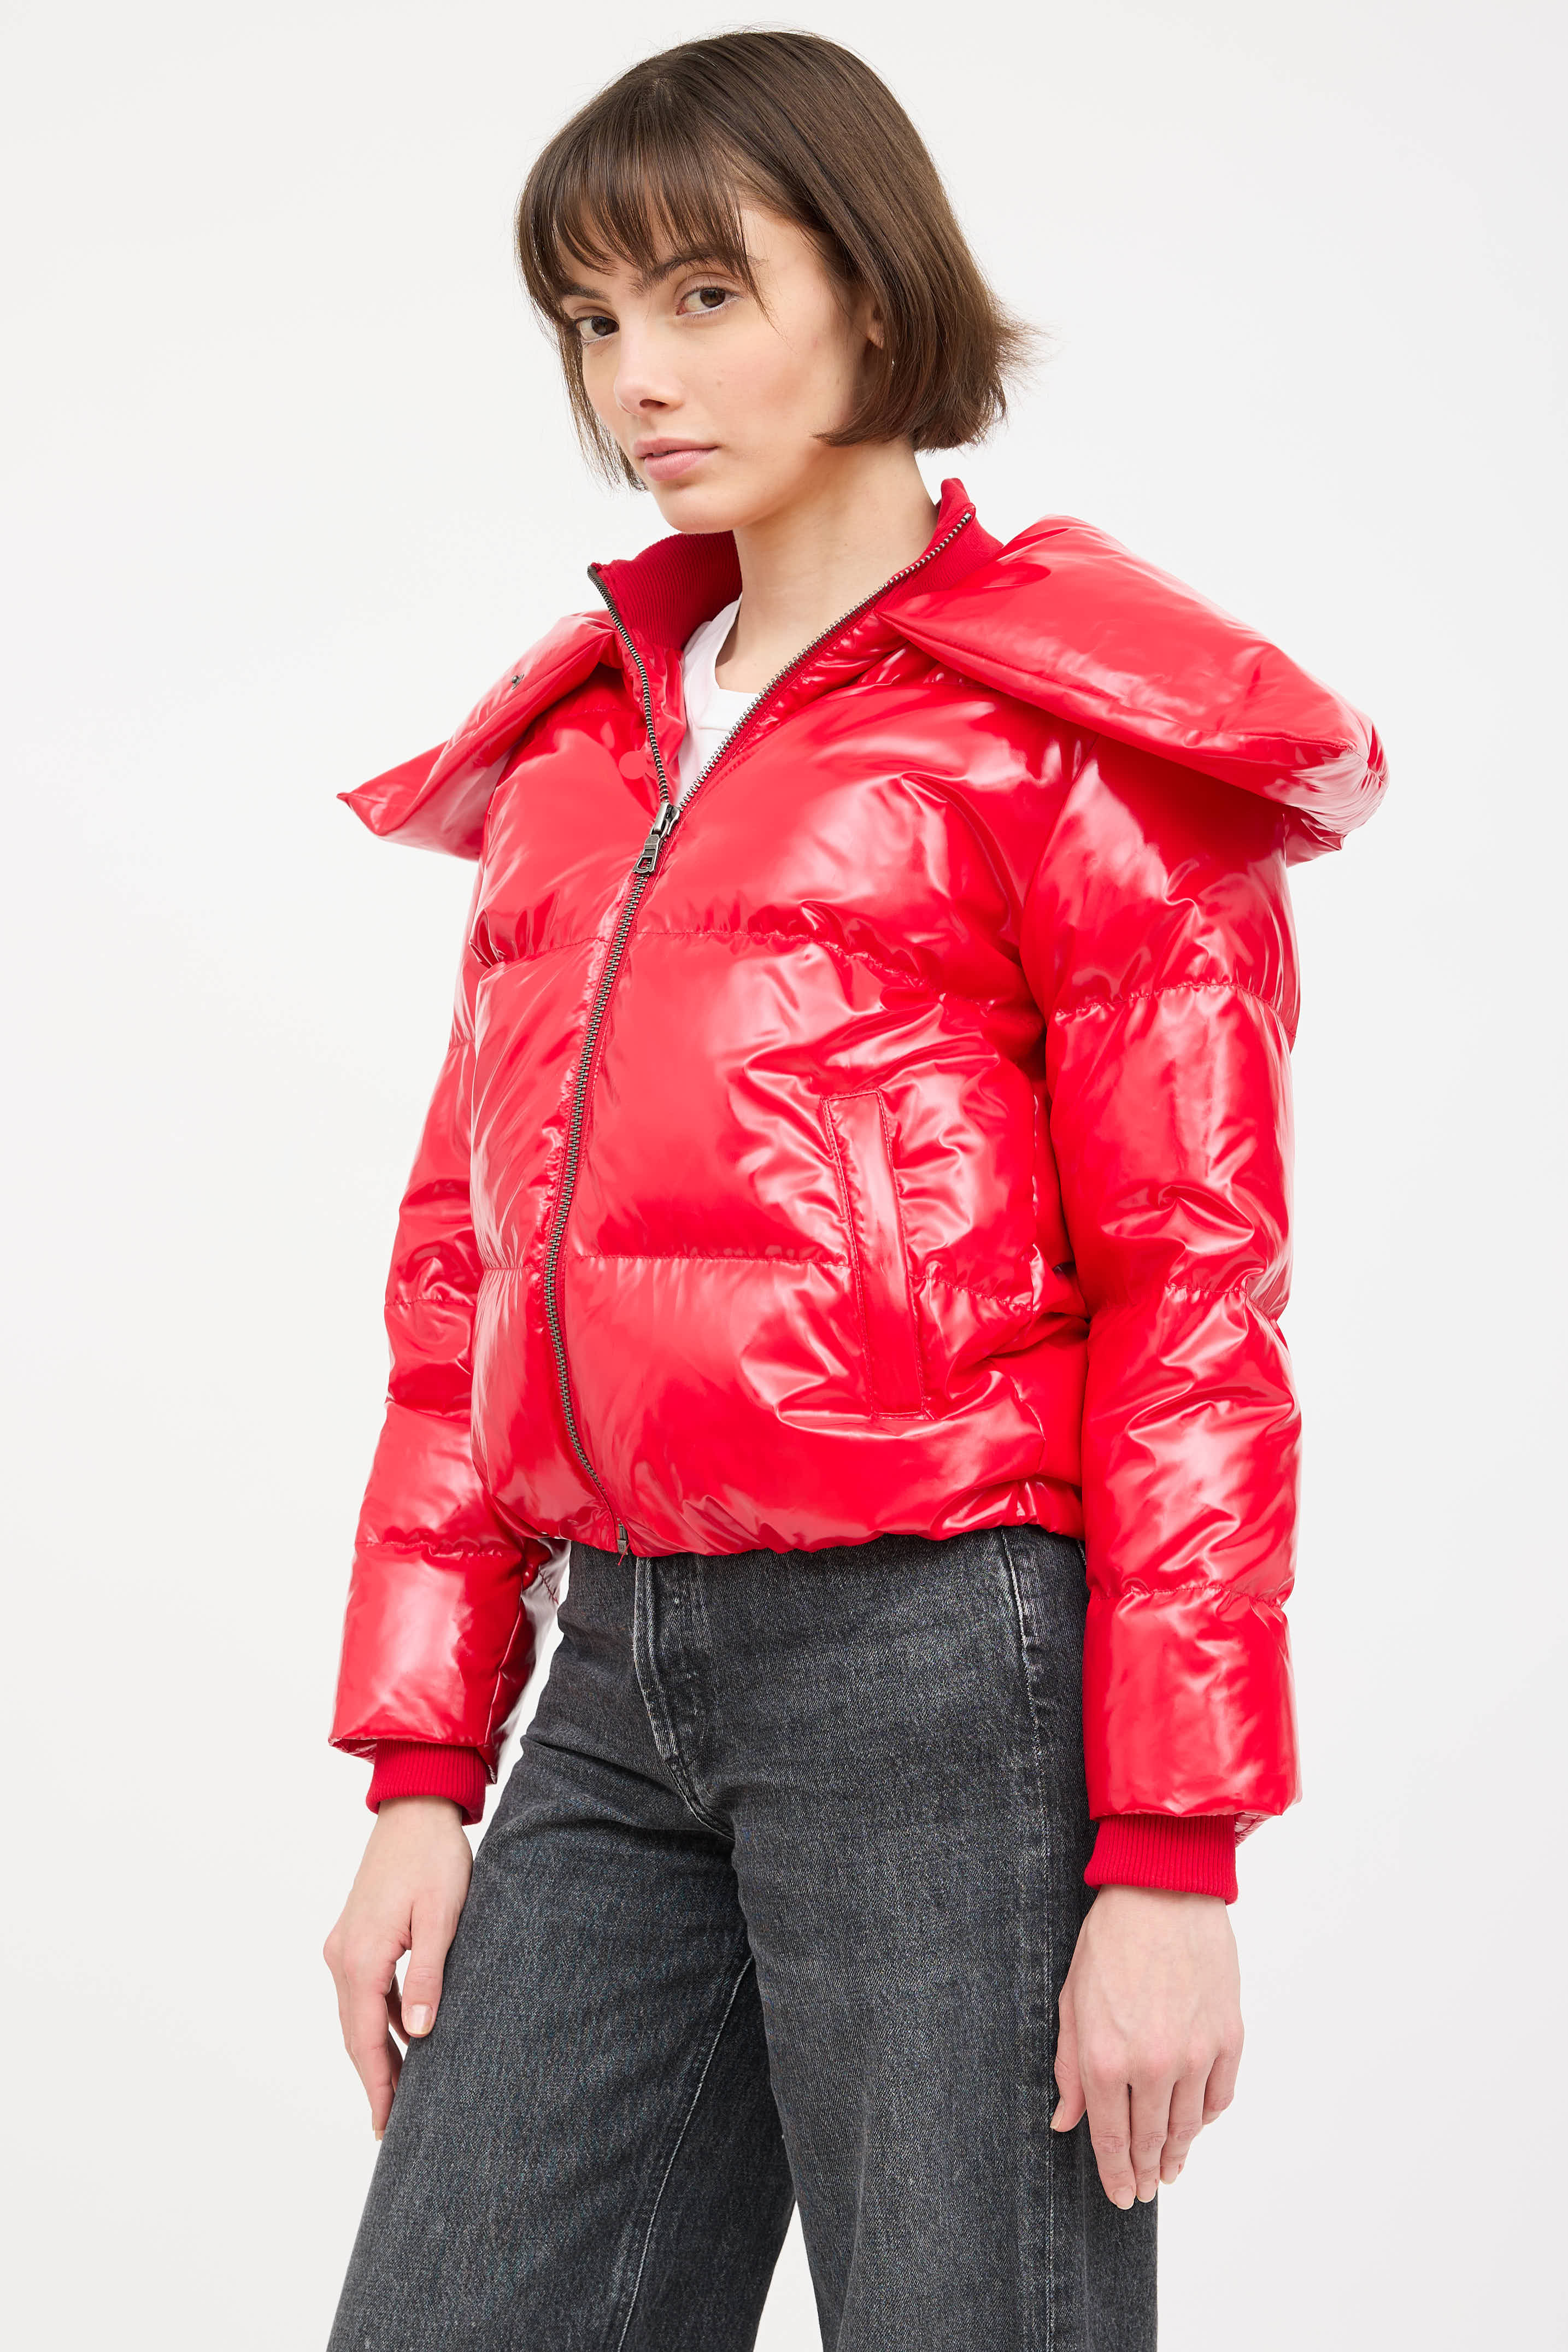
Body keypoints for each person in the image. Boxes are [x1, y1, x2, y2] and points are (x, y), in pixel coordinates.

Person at [321, 31, 1384, 2351]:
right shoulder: (579, 754)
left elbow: (1196, 1295)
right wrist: (418, 1769)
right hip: (611, 1682)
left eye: (703, 294)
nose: (635, 375)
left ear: (877, 290)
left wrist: (1171, 1853)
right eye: (594, 316)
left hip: (948, 1674)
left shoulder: (1069, 730)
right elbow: (464, 1278)